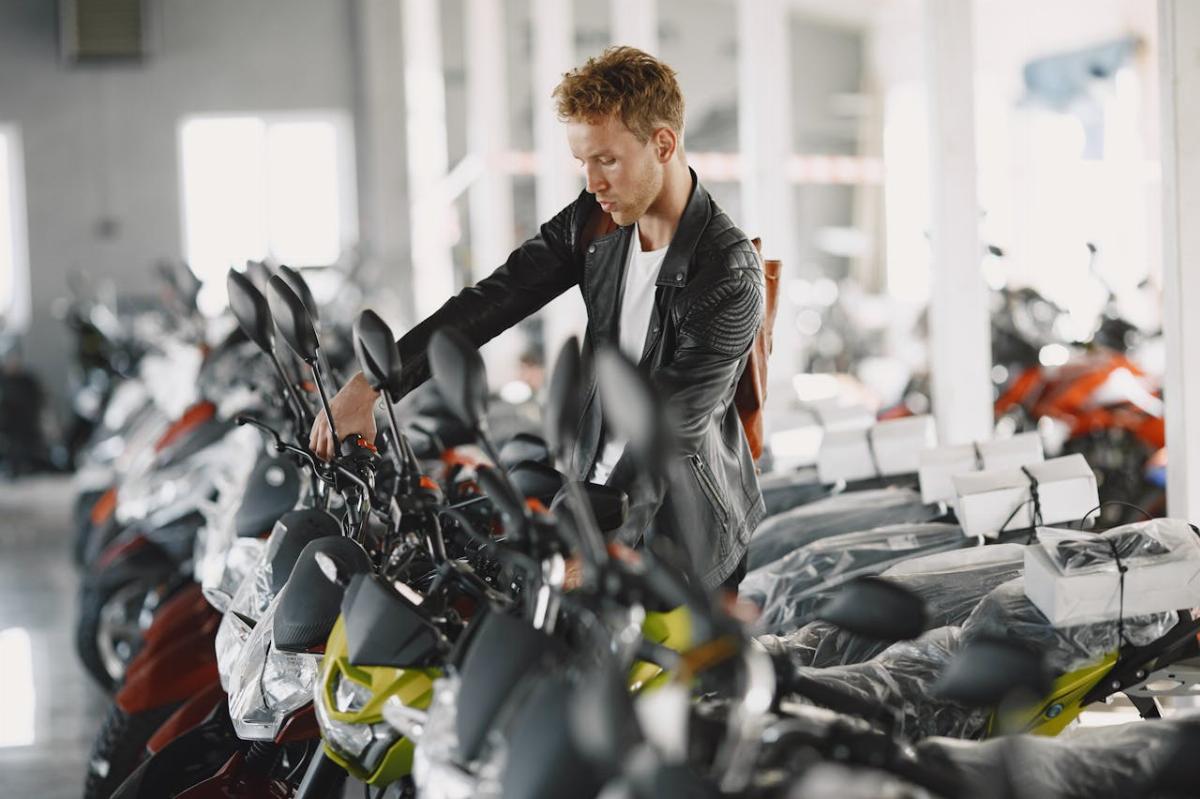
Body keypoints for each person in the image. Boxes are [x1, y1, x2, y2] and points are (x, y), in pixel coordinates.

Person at [311, 46, 765, 590]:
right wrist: (368, 387)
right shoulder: (596, 225)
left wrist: (604, 551)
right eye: (583, 163)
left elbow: (669, 436)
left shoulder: (727, 274)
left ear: (663, 144)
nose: (592, 183)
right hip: (587, 503)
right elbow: (491, 301)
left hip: (678, 544)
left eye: (607, 160)